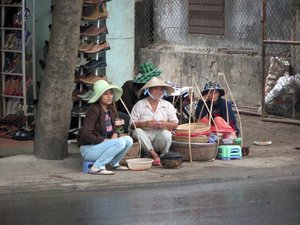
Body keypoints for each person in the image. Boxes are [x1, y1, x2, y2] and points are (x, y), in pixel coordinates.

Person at [77, 80, 133, 175]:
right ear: (99, 96)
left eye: (111, 93)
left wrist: (114, 134)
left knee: (128, 140)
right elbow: (86, 133)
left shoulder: (110, 109)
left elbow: (114, 128)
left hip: (101, 146)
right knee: (120, 142)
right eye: (105, 94)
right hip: (89, 149)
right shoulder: (93, 110)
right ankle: (97, 167)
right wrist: (103, 140)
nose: (109, 96)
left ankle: (114, 163)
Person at [130, 77, 179, 166]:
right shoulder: (139, 105)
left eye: (161, 90)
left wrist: (165, 125)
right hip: (143, 140)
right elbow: (132, 125)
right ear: (148, 90)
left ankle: (164, 155)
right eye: (155, 89)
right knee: (137, 131)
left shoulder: (167, 105)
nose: (158, 92)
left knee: (167, 134)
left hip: (158, 140)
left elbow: (175, 124)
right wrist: (144, 124)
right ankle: (154, 155)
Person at [115, 62, 162, 133]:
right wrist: (141, 117)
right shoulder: (128, 86)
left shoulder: (148, 91)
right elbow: (126, 107)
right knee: (128, 120)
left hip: (140, 116)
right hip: (125, 114)